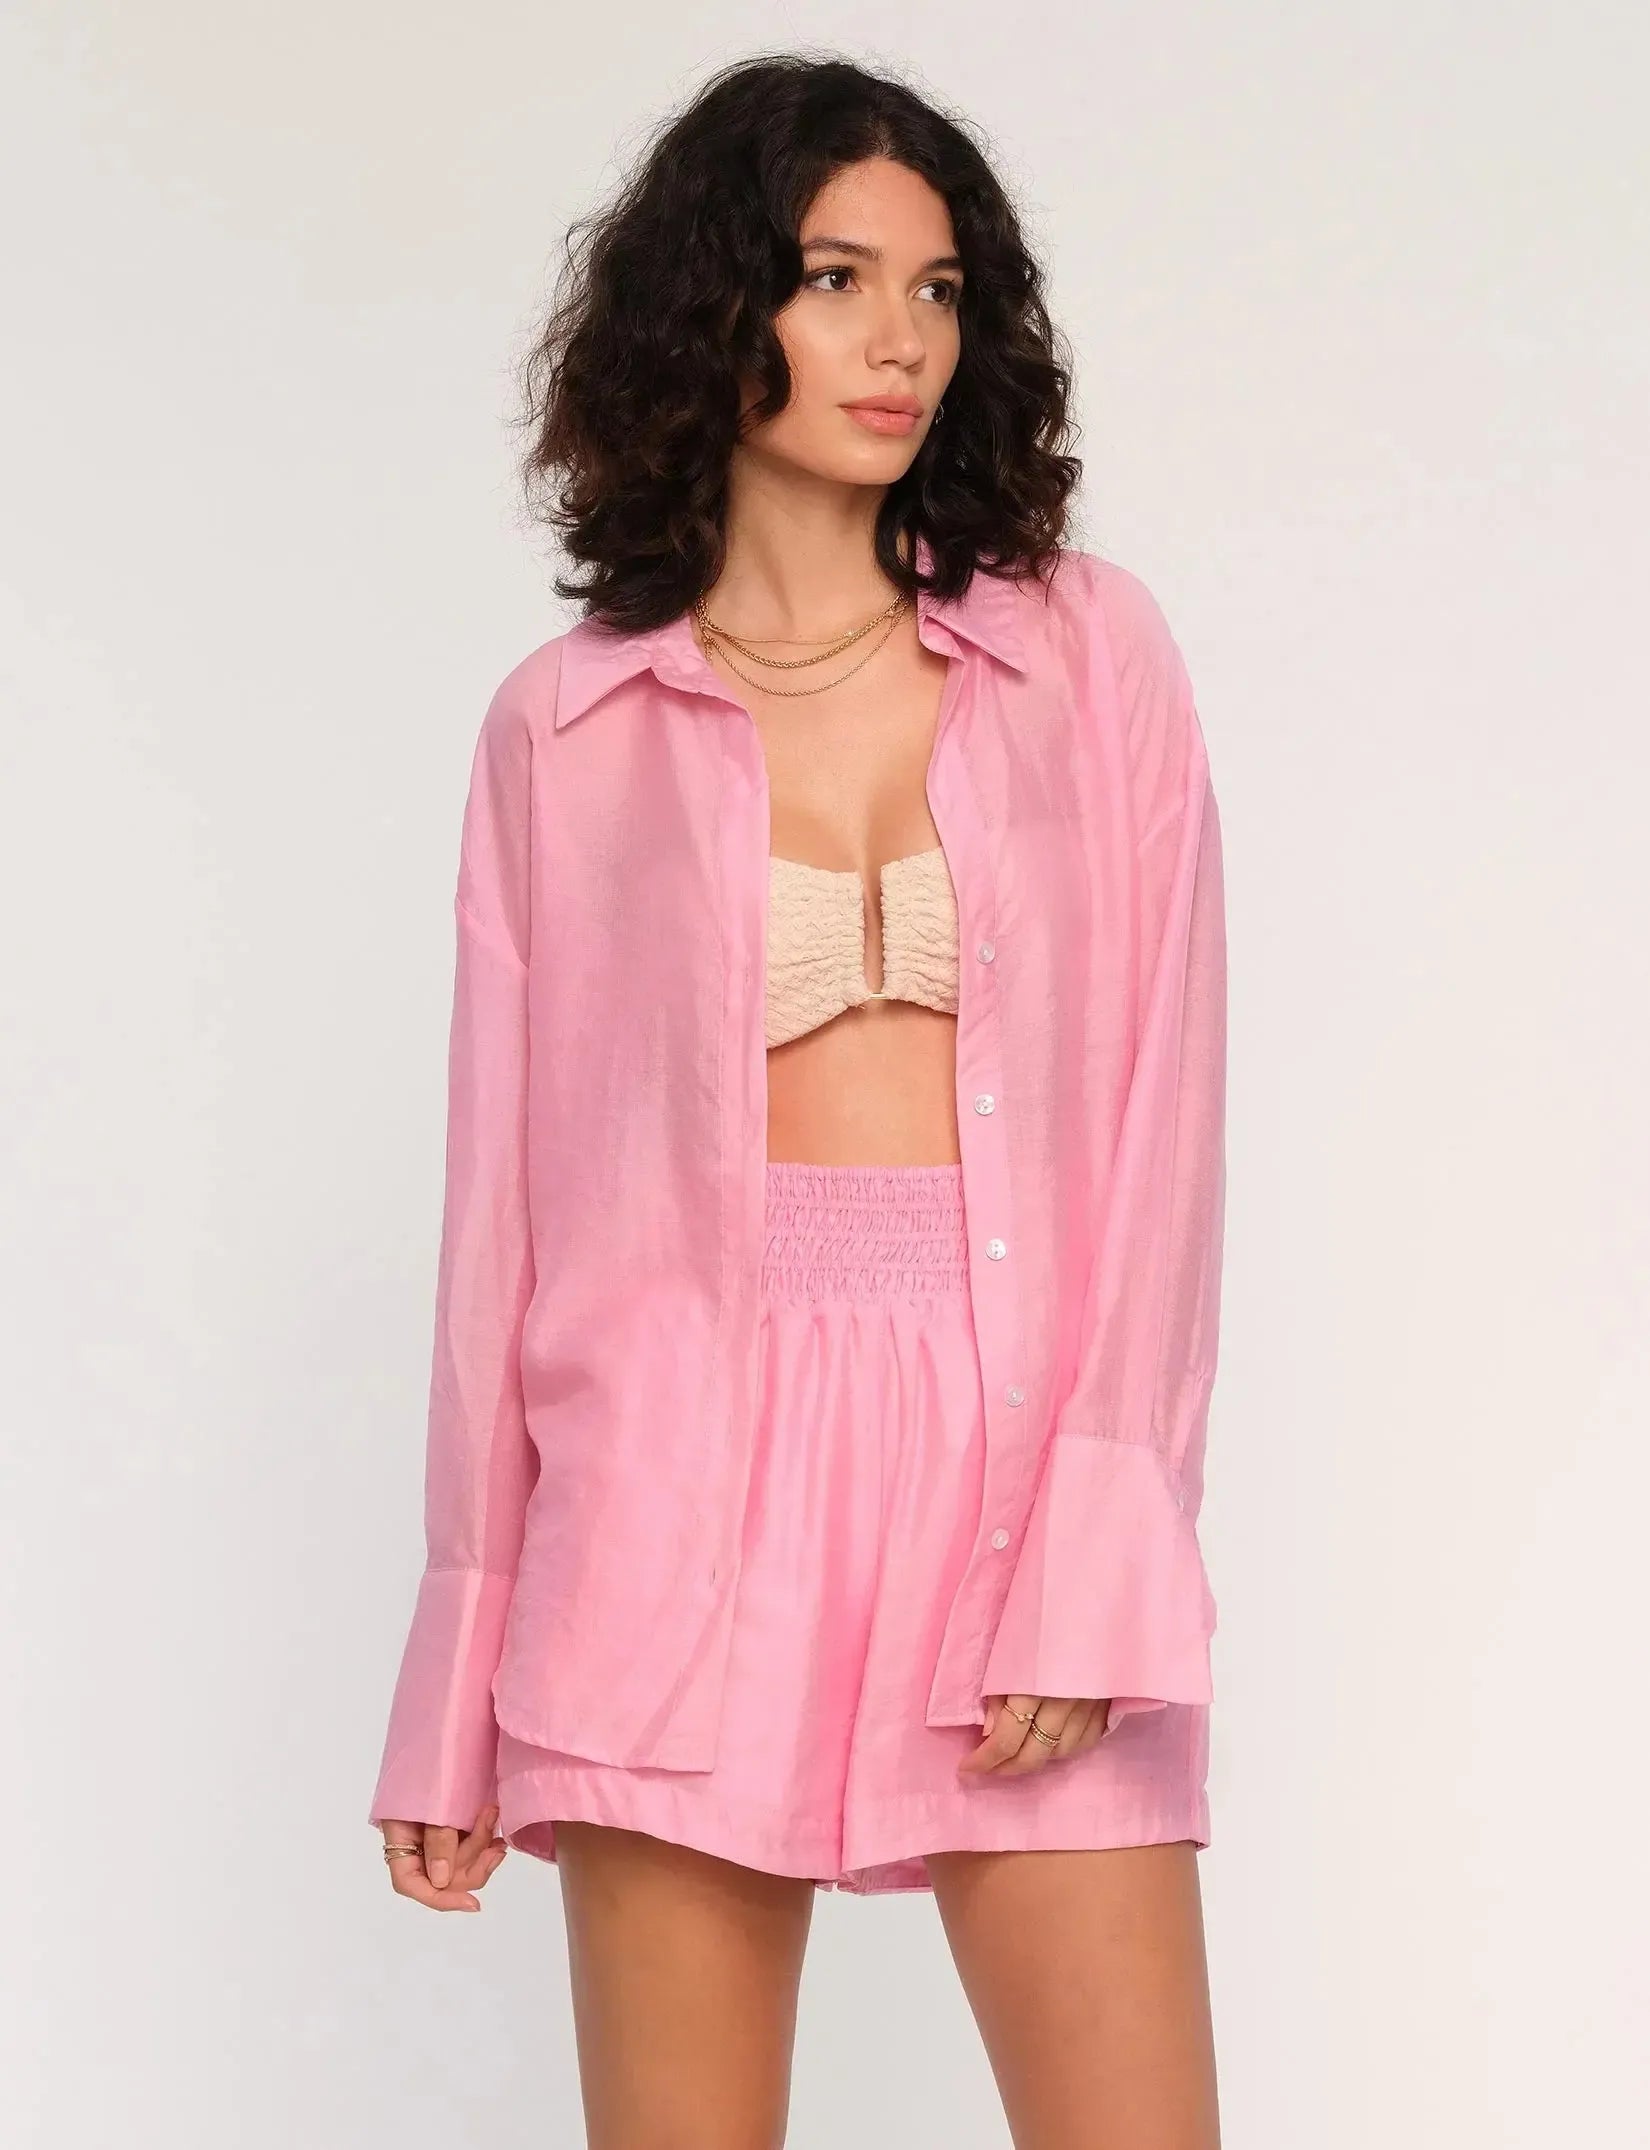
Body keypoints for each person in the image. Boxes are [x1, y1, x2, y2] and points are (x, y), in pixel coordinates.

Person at [366, 51, 1229, 2150]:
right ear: (711, 303)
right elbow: (505, 1224)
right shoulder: (561, 735)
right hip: (669, 1489)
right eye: (836, 278)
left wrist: (1101, 1538)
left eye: (936, 290)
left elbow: (1167, 1126)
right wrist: (457, 1666)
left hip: (1015, 1462)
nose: (897, 340)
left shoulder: (1088, 657)